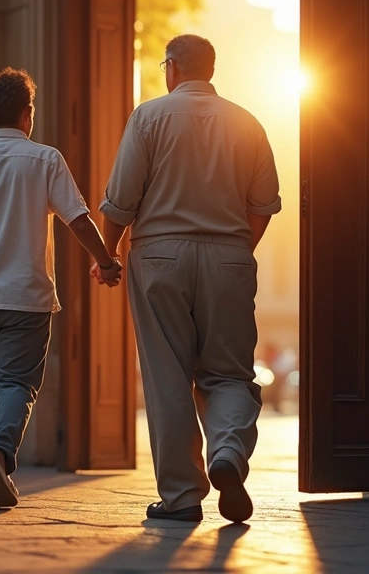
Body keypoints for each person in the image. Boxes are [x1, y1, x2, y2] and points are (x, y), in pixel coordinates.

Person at [95, 35, 281, 524]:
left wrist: (107, 254)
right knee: (230, 372)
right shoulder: (249, 122)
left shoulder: (148, 117)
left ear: (172, 67)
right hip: (230, 256)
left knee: (168, 375)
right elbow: (263, 207)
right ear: (211, 70)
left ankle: (180, 497)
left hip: (159, 256)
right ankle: (228, 453)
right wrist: (236, 252)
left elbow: (121, 201)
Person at [0, 67, 122, 511]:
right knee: (19, 384)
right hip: (26, 296)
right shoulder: (45, 159)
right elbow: (78, 219)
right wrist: (105, 261)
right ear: (27, 113)